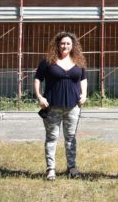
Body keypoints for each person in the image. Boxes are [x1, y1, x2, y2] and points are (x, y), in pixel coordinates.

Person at [34, 31, 88, 181]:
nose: (65, 46)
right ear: (57, 44)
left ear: (73, 45)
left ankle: (72, 167)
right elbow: (37, 79)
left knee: (71, 137)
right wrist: (39, 96)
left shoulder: (78, 61)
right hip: (52, 106)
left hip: (73, 106)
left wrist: (84, 94)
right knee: (52, 137)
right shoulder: (47, 61)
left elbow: (83, 79)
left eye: (68, 43)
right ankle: (50, 169)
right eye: (62, 43)